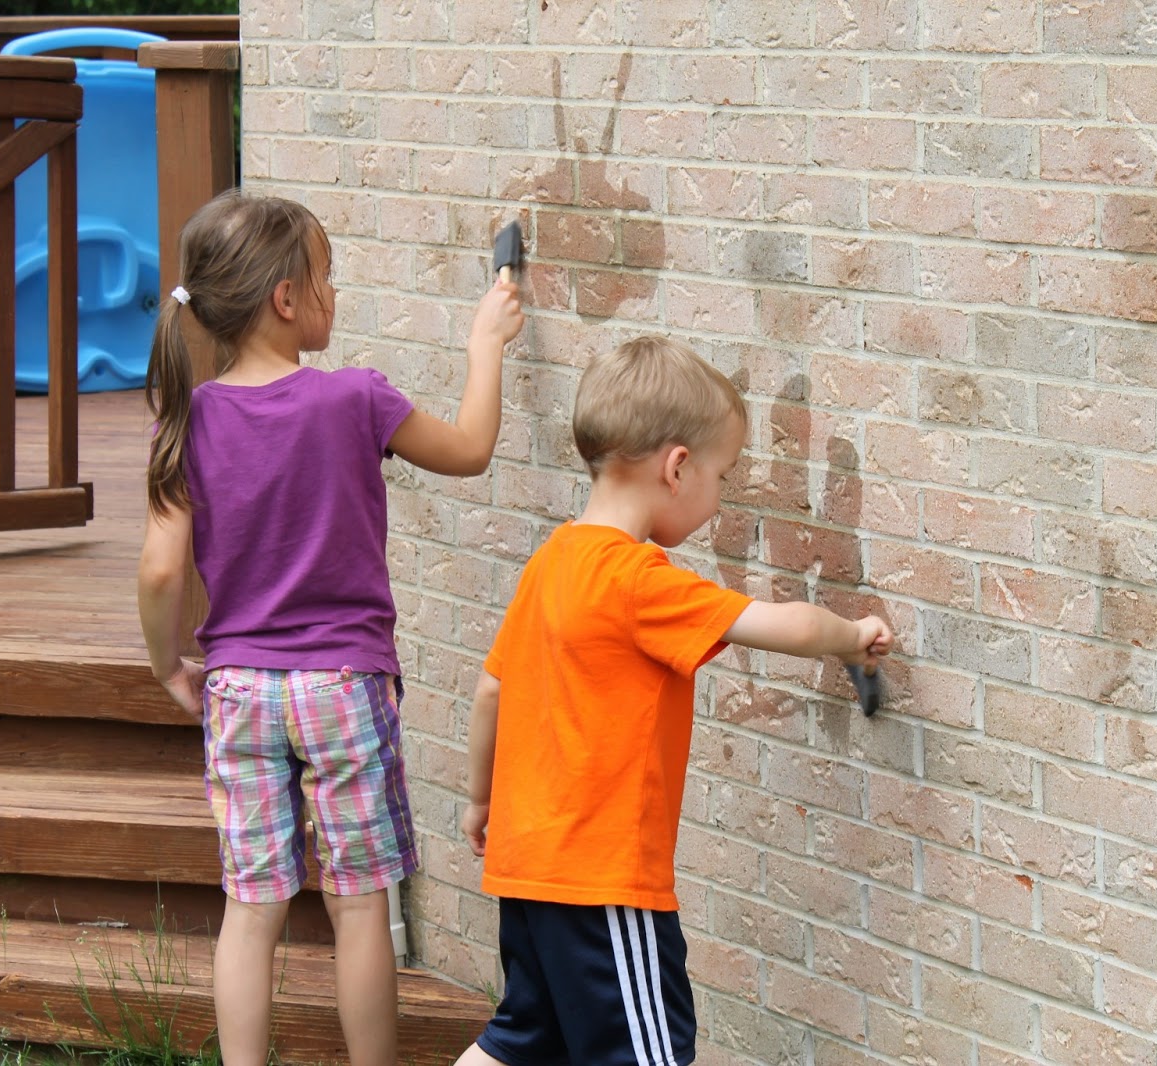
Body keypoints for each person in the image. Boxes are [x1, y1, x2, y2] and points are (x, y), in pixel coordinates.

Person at [137, 192, 524, 1066]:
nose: (334, 293)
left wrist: (170, 663)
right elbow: (469, 448)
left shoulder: (185, 419)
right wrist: (484, 344)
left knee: (253, 906)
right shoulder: (356, 399)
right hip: (344, 687)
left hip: (237, 687)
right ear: (285, 299)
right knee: (358, 903)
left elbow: (161, 570)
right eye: (327, 278)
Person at [454, 336, 894, 1066]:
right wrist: (853, 637)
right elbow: (778, 623)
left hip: (526, 870)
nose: (720, 494)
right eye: (722, 475)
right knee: (646, 1053)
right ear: (677, 467)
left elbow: (491, 688)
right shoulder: (637, 580)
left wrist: (479, 801)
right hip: (603, 883)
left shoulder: (552, 560)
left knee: (521, 1038)